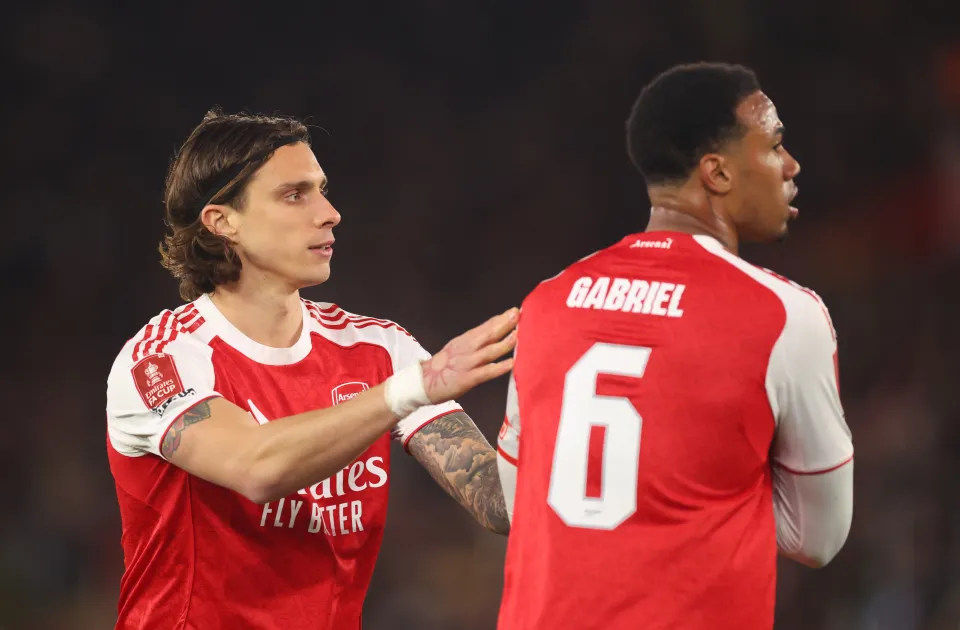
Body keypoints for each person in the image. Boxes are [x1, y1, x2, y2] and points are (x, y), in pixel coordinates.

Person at [105, 109, 515, 630]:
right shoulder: (162, 359)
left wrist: (540, 401)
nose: (330, 213)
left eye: (321, 190)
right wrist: (409, 390)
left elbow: (500, 502)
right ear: (222, 220)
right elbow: (256, 469)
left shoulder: (379, 349)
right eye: (294, 194)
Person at [495, 62, 854, 630]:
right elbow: (819, 538)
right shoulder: (785, 316)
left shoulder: (547, 301)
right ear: (717, 173)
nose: (791, 166)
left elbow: (520, 498)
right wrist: (706, 495)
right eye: (776, 145)